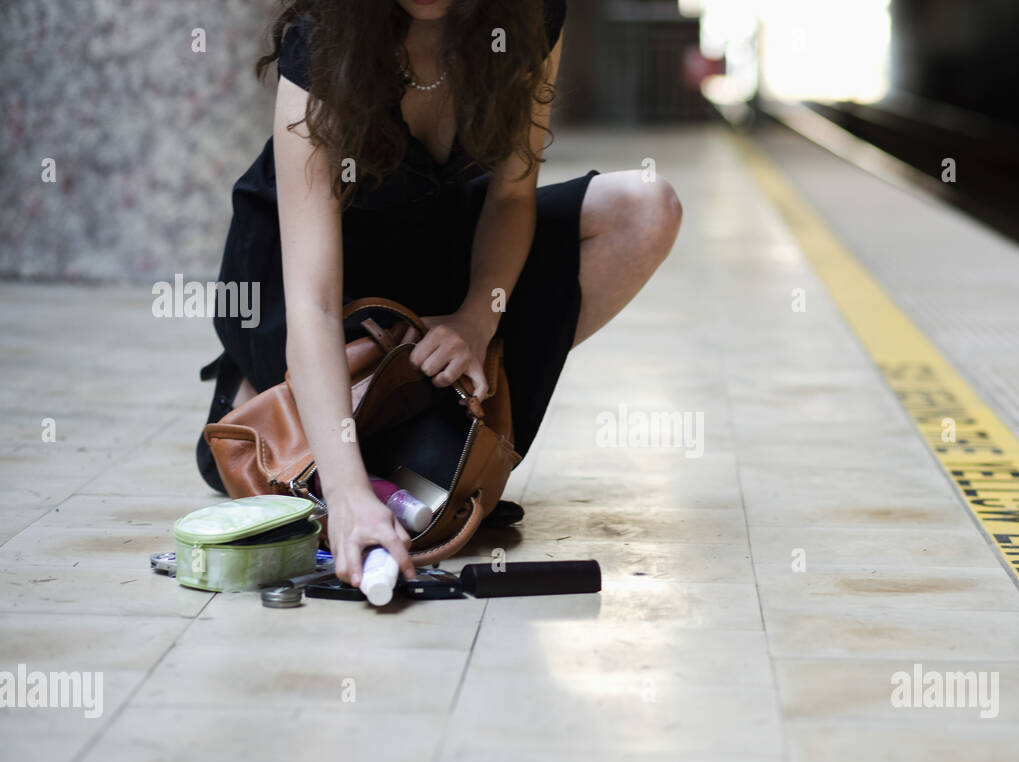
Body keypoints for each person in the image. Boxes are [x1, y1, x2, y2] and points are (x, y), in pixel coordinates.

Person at [196, 0, 682, 586]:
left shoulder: (530, 18)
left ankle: (399, 420)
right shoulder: (324, 37)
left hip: (438, 251)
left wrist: (479, 316)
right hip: (308, 284)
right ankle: (274, 408)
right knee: (372, 477)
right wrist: (348, 497)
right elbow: (314, 303)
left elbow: (509, 198)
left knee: (645, 208)